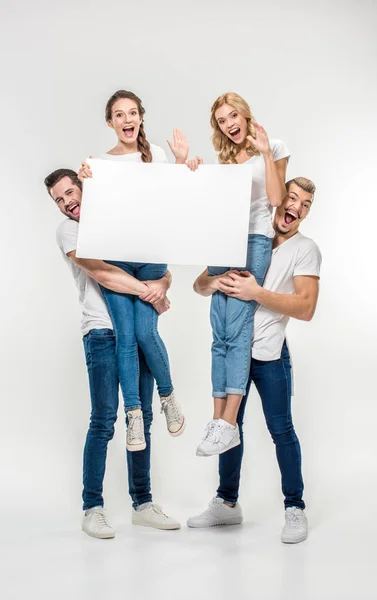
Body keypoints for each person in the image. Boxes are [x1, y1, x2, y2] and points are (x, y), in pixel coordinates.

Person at [45, 168, 181, 538]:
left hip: (135, 329)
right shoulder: (69, 231)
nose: (67, 202)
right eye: (59, 199)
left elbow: (155, 264)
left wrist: (162, 283)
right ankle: (92, 507)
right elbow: (103, 273)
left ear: (84, 188)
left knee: (143, 417)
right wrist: (150, 291)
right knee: (104, 419)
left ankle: (143, 503)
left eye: (71, 192)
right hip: (102, 331)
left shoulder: (116, 220)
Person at [188, 177, 321, 544]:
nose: (296, 207)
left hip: (268, 353)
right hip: (234, 351)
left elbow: (307, 307)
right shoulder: (246, 238)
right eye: (291, 198)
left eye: (305, 205)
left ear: (306, 214)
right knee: (228, 428)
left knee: (281, 430)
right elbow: (200, 284)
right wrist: (218, 282)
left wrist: (257, 293)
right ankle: (227, 504)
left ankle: (295, 507)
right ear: (278, 200)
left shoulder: (305, 249)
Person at [78, 90, 187, 452]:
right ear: (110, 122)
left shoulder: (154, 153)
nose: (127, 120)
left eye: (133, 113)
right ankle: (135, 416)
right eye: (119, 115)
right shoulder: (99, 163)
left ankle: (168, 396)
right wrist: (86, 183)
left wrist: (181, 164)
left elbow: (174, 201)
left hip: (151, 254)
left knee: (145, 332)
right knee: (126, 336)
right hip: (118, 259)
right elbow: (95, 217)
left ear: (140, 117)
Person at [188, 92, 289, 456]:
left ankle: (229, 422)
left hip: (255, 241)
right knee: (220, 335)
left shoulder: (273, 145)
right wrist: (192, 168)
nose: (229, 124)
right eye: (221, 120)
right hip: (223, 241)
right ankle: (218, 423)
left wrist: (264, 152)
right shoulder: (224, 159)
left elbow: (276, 201)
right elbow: (209, 205)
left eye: (233, 115)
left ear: (245, 115)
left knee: (239, 329)